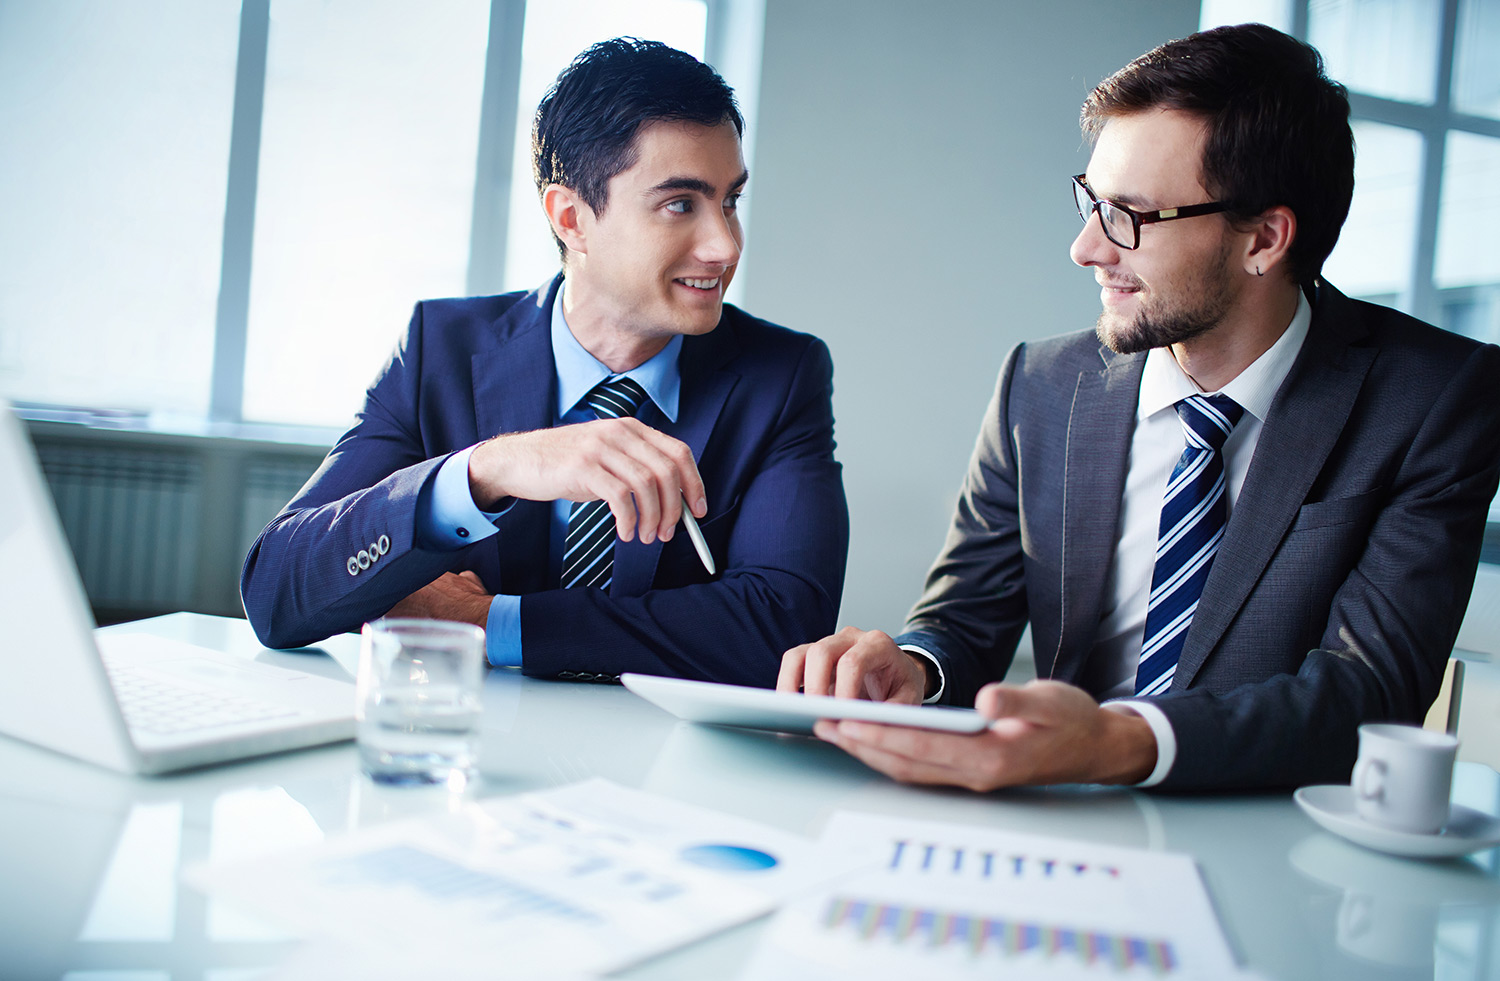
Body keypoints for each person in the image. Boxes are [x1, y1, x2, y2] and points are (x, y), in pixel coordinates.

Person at [778, 23, 1500, 792]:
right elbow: (963, 623)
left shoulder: (1435, 399)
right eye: (1091, 202)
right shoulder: (1041, 384)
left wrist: (1119, 743)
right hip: (1048, 818)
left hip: (1271, 845)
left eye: (1130, 215)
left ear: (1265, 238)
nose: (1087, 248)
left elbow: (1368, 694)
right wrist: (915, 669)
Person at [241, 38, 849, 686]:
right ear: (571, 217)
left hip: (665, 773)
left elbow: (782, 629)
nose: (724, 245)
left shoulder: (781, 376)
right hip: (452, 754)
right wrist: (488, 469)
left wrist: (494, 624)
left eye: (730, 201)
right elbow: (277, 592)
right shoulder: (438, 351)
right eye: (681, 204)